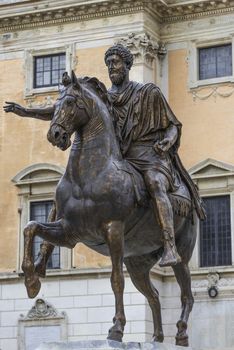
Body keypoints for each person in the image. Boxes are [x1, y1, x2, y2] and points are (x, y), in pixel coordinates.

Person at [104, 44, 205, 267]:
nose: (112, 66)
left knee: (154, 183)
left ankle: (169, 246)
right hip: (121, 159)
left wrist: (168, 141)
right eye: (108, 63)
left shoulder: (148, 93)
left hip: (151, 157)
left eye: (116, 62)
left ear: (128, 65)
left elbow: (172, 126)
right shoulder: (104, 100)